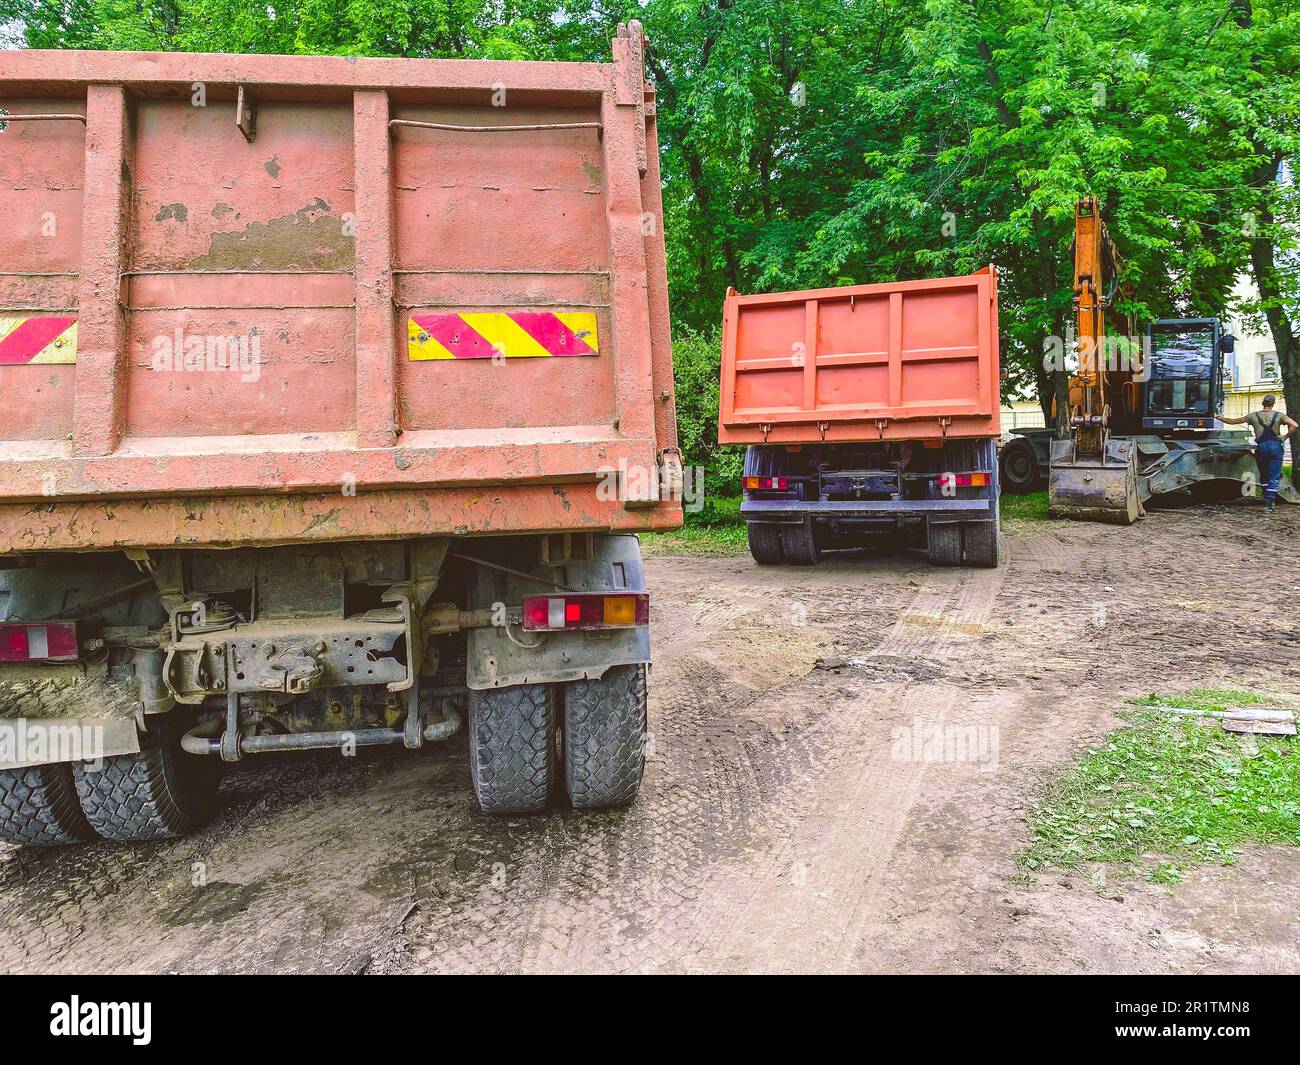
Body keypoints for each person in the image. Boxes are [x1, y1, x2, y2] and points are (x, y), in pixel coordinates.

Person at [1223, 395, 1298, 511]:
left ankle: (1266, 497)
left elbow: (1233, 421)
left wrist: (1218, 417)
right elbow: (1295, 425)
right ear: (1273, 404)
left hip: (1261, 448)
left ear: (1263, 403)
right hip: (1276, 447)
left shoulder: (1253, 416)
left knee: (1264, 475)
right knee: (1274, 475)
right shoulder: (1279, 415)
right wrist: (1285, 436)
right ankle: (1270, 502)